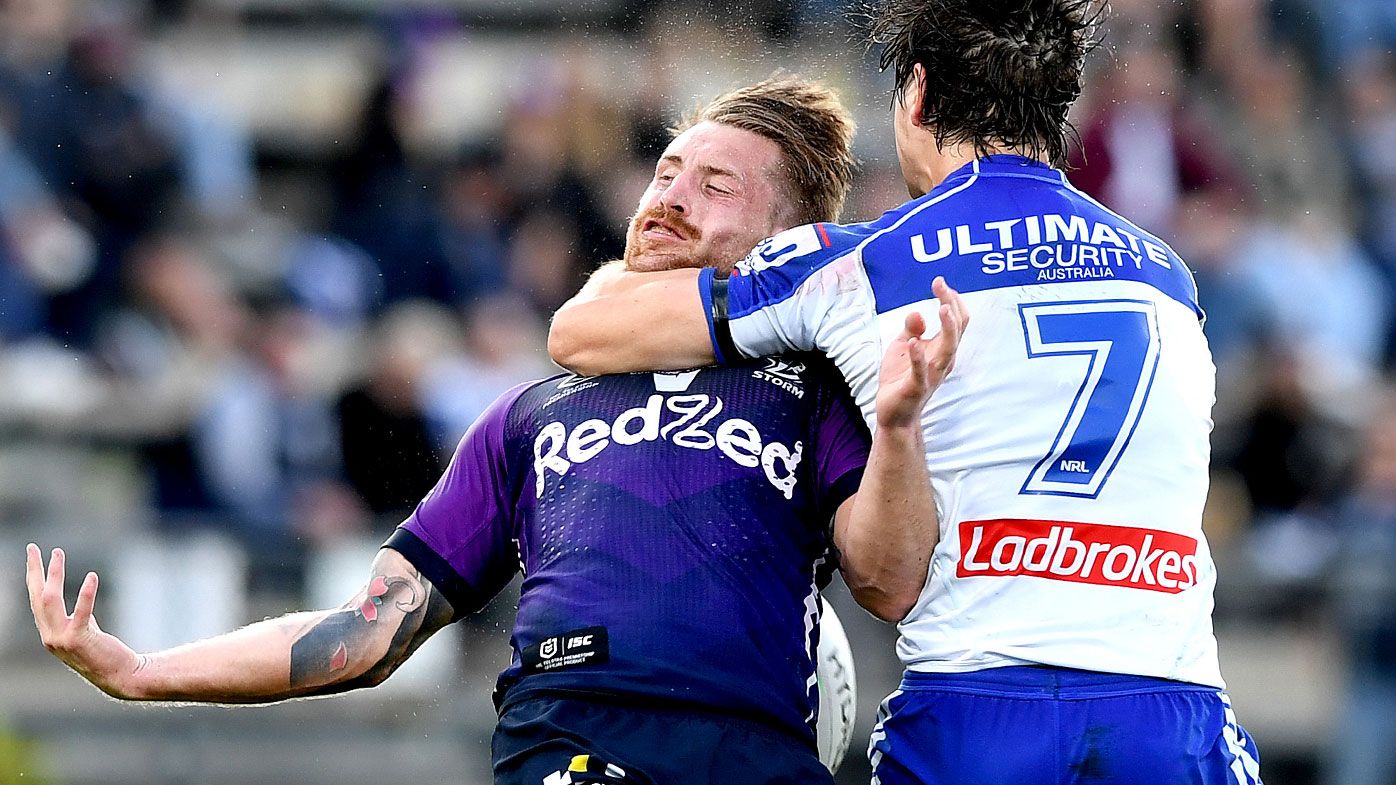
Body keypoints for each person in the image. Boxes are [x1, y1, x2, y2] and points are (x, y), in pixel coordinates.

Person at [26, 77, 968, 785]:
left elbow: (888, 580)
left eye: (715, 184)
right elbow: (367, 633)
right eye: (666, 172)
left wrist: (895, 428)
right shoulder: (530, 414)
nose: (669, 197)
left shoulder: (814, 396)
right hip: (572, 739)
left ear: (792, 237)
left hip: (754, 753)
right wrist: (145, 669)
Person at [546, 2, 1262, 783]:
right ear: (1054, 105)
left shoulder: (861, 264)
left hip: (977, 709)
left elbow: (581, 333)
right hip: (1171, 711)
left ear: (916, 94)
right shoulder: (1166, 272)